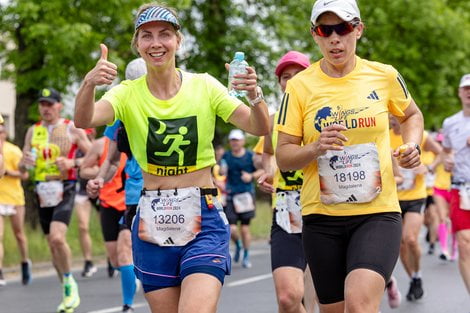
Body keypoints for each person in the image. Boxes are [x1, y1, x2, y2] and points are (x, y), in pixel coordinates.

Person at [74, 3, 269, 313]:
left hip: (202, 214)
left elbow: (259, 126)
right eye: (146, 36)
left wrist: (255, 95)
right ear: (137, 45)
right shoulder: (126, 93)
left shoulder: (205, 85)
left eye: (165, 34)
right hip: (153, 216)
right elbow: (85, 119)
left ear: (179, 41)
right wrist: (88, 84)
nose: (156, 43)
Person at [275, 1, 424, 312]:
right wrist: (316, 147)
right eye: (324, 30)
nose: (334, 38)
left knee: (359, 305)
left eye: (342, 28)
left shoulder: (383, 75)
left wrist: (412, 146)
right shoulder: (300, 86)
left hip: (377, 213)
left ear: (358, 29)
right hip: (322, 218)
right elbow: (284, 155)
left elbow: (411, 115)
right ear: (315, 35)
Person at [19, 87, 91, 313]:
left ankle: (70, 282)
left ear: (59, 105)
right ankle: (67, 290)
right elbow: (22, 163)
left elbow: (92, 155)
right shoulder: (33, 130)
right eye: (42, 104)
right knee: (52, 245)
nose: (46, 108)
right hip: (42, 191)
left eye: (50, 104)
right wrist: (25, 162)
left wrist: (73, 164)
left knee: (59, 238)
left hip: (66, 187)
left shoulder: (71, 128)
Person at [257, 51, 318, 313]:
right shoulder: (272, 120)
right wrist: (268, 171)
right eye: (285, 76)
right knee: (288, 299)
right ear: (280, 83)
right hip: (286, 208)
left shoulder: (323, 112)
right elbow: (269, 154)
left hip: (321, 207)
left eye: (298, 74)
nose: (291, 80)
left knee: (318, 300)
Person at [85, 57, 147, 313]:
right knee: (121, 251)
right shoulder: (119, 116)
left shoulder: (172, 105)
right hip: (133, 195)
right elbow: (111, 160)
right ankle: (128, 306)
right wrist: (100, 178)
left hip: (167, 192)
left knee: (157, 255)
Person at [80, 124, 132, 312]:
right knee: (115, 258)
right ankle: (133, 274)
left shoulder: (141, 134)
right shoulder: (102, 143)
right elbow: (84, 170)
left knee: (125, 250)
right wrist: (100, 177)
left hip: (132, 200)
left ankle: (128, 304)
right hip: (108, 203)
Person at [389, 117, 442, 301]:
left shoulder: (421, 136)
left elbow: (440, 153)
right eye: (390, 116)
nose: (392, 120)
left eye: (396, 116)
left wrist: (428, 167)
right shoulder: (383, 136)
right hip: (392, 198)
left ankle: (418, 273)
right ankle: (413, 278)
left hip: (415, 197)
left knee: (410, 239)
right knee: (401, 246)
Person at [441, 73, 470, 295]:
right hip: (461, 188)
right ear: (460, 93)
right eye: (466, 88)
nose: (469, 92)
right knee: (464, 243)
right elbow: (446, 152)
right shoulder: (450, 123)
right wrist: (448, 160)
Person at [222, 129, 264, 269]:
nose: (234, 142)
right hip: (230, 196)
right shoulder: (226, 157)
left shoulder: (250, 156)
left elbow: (262, 170)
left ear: (243, 141)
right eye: (232, 140)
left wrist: (251, 176)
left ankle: (246, 254)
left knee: (245, 229)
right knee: (232, 228)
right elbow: (219, 172)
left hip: (246, 195)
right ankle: (238, 245)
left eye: (237, 140)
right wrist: (221, 176)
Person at [0, 124, 32, 286]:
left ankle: (25, 262)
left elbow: (25, 174)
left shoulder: (13, 150)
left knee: (19, 234)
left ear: (5, 133)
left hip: (14, 197)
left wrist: (8, 172)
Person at [74, 127, 98, 277]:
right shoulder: (74, 146)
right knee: (83, 226)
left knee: (106, 225)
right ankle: (88, 260)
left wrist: (76, 162)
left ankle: (111, 257)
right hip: (82, 191)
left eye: (88, 134)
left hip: (100, 189)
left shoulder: (99, 145)